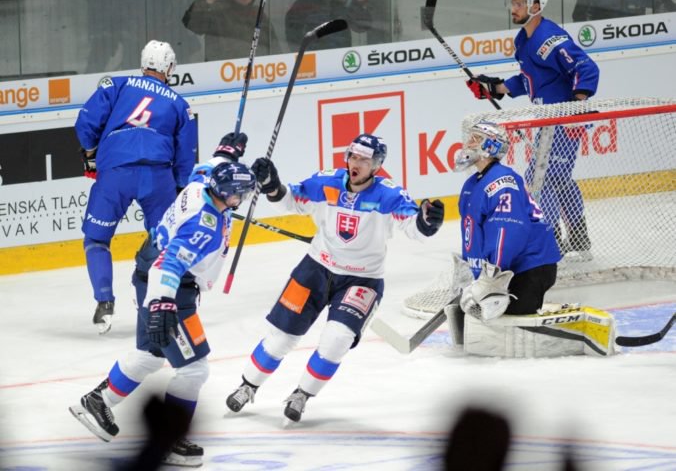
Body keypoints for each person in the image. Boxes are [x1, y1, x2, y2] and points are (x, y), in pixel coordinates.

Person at [224, 133, 445, 422]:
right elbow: (290, 200)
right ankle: (247, 386)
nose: (357, 163)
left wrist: (428, 221)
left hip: (361, 280)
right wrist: (270, 184)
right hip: (315, 269)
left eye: (365, 160)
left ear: (377, 166)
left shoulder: (389, 195)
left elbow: (414, 226)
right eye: (353, 156)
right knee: (280, 338)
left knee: (337, 340)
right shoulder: (325, 182)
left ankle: (302, 394)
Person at [69, 151, 257, 467]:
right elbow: (168, 263)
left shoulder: (200, 184)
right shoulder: (204, 225)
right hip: (172, 289)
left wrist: (229, 153)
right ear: (228, 194)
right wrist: (162, 304)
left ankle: (98, 401)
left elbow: (208, 166)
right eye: (243, 193)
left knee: (152, 353)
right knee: (195, 368)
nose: (246, 197)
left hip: (147, 271)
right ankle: (170, 440)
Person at [447, 121, 615, 358]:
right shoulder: (472, 184)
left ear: (491, 146)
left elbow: (507, 231)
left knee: (508, 316)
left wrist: (491, 276)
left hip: (531, 266)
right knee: (481, 313)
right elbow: (473, 234)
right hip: (506, 268)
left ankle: (577, 332)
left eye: (475, 139)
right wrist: (472, 272)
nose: (468, 144)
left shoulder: (502, 181)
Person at [466, 0, 600, 260]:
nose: (512, 8)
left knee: (541, 178)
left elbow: (585, 67)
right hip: (547, 120)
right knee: (558, 178)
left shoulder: (549, 38)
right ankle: (578, 236)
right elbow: (530, 79)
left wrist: (577, 102)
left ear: (535, 6)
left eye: (519, 4)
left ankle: (552, 239)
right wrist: (495, 87)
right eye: (512, 2)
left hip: (563, 121)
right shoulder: (523, 40)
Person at [75, 40, 198, 335]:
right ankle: (171, 304)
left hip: (116, 171)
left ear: (143, 64)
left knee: (96, 239)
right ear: (169, 68)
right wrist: (181, 186)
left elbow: (86, 122)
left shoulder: (115, 85)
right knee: (167, 242)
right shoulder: (181, 104)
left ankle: (104, 302)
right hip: (158, 176)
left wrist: (90, 154)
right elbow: (185, 153)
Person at [182, 0, 282, 61]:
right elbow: (192, 24)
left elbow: (275, 48)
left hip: (260, 74)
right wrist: (209, 0)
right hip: (224, 76)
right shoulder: (216, 11)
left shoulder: (259, 14)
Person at [285, 0, 371, 51]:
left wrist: (347, 1)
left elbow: (364, 25)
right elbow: (294, 43)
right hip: (316, 63)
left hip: (343, 61)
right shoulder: (302, 5)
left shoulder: (342, 1)